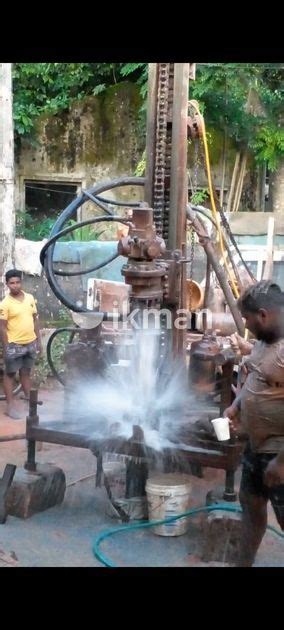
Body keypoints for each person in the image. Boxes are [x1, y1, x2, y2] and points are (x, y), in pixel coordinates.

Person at [224, 280, 284, 567]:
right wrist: (237, 406)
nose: (246, 326)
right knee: (251, 507)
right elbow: (256, 378)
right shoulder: (263, 342)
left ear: (263, 315)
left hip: (279, 453)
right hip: (256, 449)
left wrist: (282, 462)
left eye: (247, 319)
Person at [0, 269, 42, 419]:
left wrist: (39, 341)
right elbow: (2, 327)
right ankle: (10, 406)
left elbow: (35, 320)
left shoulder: (30, 298)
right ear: (7, 285)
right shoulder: (5, 304)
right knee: (10, 374)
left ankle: (30, 404)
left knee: (26, 373)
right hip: (14, 344)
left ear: (21, 282)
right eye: (12, 283)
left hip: (30, 342)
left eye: (18, 282)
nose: (15, 286)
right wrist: (7, 348)